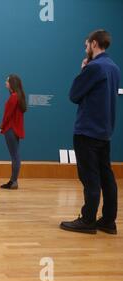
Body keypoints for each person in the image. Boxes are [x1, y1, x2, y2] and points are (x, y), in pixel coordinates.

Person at [60, 29, 120, 235]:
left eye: (86, 44)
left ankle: (87, 220)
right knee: (106, 177)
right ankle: (108, 220)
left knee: (90, 177)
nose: (85, 48)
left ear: (94, 44)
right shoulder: (114, 67)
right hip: (104, 131)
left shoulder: (94, 67)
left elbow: (74, 95)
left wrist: (83, 69)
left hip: (87, 131)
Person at [0, 74, 27, 189]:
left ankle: (13, 181)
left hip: (11, 129)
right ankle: (13, 180)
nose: (5, 82)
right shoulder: (19, 96)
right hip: (15, 129)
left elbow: (7, 115)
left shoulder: (13, 97)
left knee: (14, 155)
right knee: (15, 155)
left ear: (12, 83)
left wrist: (2, 126)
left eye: (7, 81)